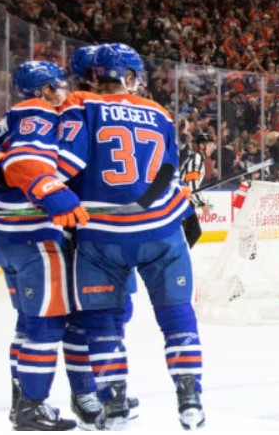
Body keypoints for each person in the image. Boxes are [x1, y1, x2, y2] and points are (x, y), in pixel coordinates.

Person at [57, 43, 205, 430]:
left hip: (102, 236)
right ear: (132, 78)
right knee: (177, 314)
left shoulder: (80, 103)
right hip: (160, 229)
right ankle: (189, 396)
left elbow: (64, 165)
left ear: (95, 75)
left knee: (103, 320)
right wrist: (147, 206)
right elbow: (167, 174)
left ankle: (115, 402)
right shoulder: (158, 111)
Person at [0, 61, 88, 430]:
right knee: (45, 325)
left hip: (3, 236)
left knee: (28, 323)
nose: (61, 92)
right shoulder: (39, 112)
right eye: (56, 86)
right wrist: (51, 193)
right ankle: (32, 406)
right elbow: (26, 162)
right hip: (32, 232)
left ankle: (21, 401)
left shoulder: (13, 115)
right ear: (43, 89)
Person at [180, 132, 216, 218]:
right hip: (181, 201)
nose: (212, 148)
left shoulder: (198, 159)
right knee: (192, 230)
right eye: (210, 145)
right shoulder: (196, 158)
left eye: (213, 146)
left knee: (192, 231)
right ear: (201, 146)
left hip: (184, 200)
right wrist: (201, 203)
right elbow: (191, 184)